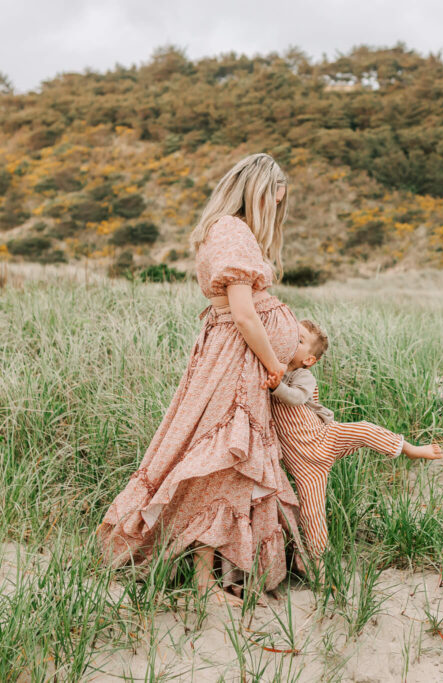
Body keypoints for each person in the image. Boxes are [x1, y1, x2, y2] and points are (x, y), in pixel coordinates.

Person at [97, 153, 302, 606]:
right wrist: (275, 364)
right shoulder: (231, 230)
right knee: (219, 462)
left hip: (239, 359)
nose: (277, 206)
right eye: (274, 195)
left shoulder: (233, 230)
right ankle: (203, 584)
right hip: (237, 360)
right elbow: (246, 315)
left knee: (229, 466)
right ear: (256, 191)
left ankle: (226, 574)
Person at [264, 319, 443, 561]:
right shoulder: (269, 368)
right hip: (304, 466)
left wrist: (277, 386)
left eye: (298, 340)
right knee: (312, 514)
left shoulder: (301, 376)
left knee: (364, 429)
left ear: (308, 360)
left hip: (324, 438)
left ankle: (409, 449)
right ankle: (318, 566)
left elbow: (295, 398)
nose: (289, 340)